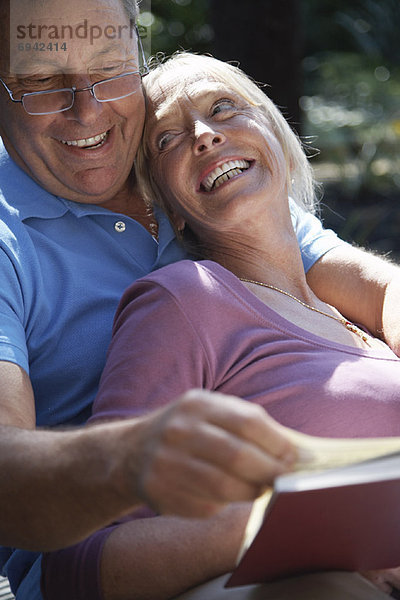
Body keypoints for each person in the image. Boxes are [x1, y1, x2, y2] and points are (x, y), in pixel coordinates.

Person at [0, 0, 400, 598]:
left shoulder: (210, 185)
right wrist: (134, 458)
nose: (88, 109)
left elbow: (359, 280)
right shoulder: (23, 247)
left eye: (110, 69)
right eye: (40, 83)